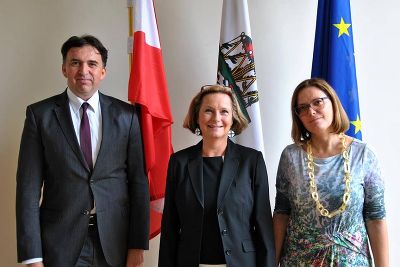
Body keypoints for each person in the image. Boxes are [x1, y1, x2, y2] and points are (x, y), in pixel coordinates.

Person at [16, 35, 150, 267]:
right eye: (75, 63)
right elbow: (27, 190)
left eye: (92, 64)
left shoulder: (127, 116)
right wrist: (32, 256)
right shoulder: (40, 116)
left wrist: (137, 245)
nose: (83, 70)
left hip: (115, 242)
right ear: (64, 69)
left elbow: (138, 183)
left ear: (103, 72)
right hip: (59, 244)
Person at [273, 78, 389, 266]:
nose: (311, 111)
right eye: (302, 108)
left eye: (317, 102)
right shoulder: (290, 157)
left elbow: (376, 218)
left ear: (333, 103)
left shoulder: (364, 155)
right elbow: (281, 214)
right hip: (298, 261)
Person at [158, 84, 275, 267]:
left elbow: (264, 227)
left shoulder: (252, 161)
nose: (216, 118)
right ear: (197, 116)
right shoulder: (178, 162)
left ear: (233, 117)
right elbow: (170, 228)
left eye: (224, 111)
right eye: (208, 111)